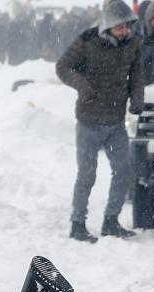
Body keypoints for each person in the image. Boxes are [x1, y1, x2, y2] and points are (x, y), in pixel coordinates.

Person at [56, 0, 144, 241]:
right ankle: (78, 223)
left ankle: (111, 220)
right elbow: (63, 67)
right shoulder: (87, 41)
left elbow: (137, 75)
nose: (124, 31)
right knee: (87, 174)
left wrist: (137, 99)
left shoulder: (134, 44)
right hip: (89, 120)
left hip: (116, 122)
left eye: (126, 26)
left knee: (123, 171)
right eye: (119, 27)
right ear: (107, 26)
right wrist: (83, 86)